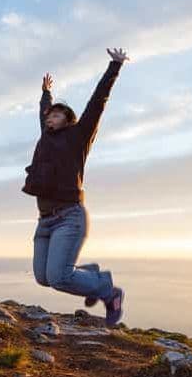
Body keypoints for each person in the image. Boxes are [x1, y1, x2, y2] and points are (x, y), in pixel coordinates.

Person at [22, 48, 129, 325]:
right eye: (48, 116)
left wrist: (114, 67)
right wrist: (46, 93)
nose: (49, 118)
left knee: (59, 277)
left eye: (56, 115)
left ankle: (108, 290)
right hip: (44, 221)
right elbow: (43, 112)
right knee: (44, 278)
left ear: (68, 119)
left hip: (68, 217)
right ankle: (90, 274)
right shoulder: (46, 137)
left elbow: (97, 102)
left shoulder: (79, 136)